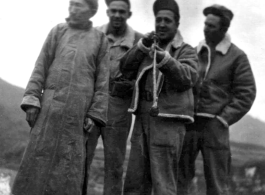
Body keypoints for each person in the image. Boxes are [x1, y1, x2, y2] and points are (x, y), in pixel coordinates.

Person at [12, 0, 110, 194]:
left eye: (78, 5)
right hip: (49, 110)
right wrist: (32, 99)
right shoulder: (58, 31)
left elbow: (103, 82)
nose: (72, 9)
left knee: (67, 167)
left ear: (91, 11)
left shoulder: (100, 40)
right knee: (37, 159)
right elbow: (40, 66)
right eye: (71, 4)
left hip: (78, 116)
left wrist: (94, 113)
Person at [120, 0, 198, 194]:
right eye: (158, 19)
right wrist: (140, 47)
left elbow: (188, 77)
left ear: (176, 24)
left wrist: (165, 59)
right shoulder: (147, 47)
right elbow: (125, 69)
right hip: (142, 119)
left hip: (168, 123)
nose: (162, 24)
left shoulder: (186, 50)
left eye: (167, 20)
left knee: (163, 183)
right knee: (135, 181)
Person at [178, 5, 256, 195]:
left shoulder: (237, 56)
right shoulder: (195, 51)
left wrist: (223, 119)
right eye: (205, 24)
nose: (205, 29)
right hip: (190, 124)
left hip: (215, 127)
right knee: (179, 178)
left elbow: (247, 92)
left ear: (224, 29)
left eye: (211, 26)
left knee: (217, 182)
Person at [86, 0, 142, 194]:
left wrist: (132, 86)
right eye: (114, 11)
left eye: (122, 11)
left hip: (118, 111)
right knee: (81, 160)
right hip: (90, 106)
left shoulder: (138, 41)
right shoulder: (93, 34)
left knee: (115, 166)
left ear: (129, 14)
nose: (117, 15)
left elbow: (146, 77)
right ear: (108, 11)